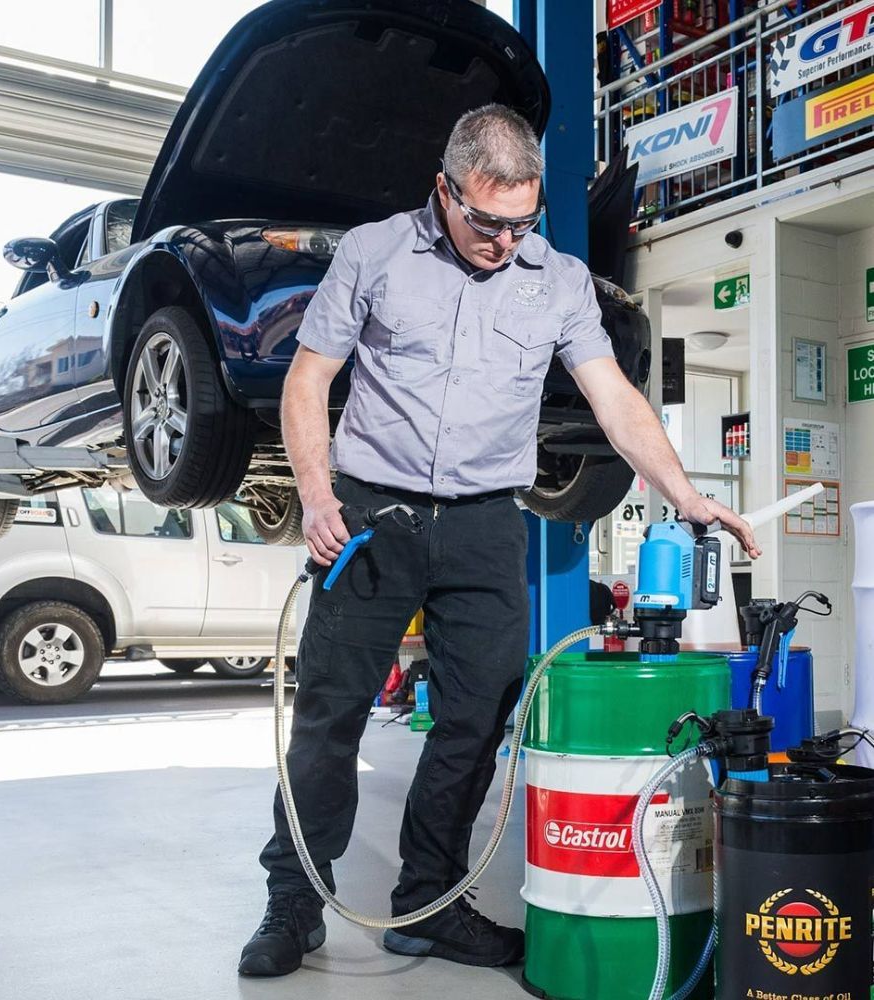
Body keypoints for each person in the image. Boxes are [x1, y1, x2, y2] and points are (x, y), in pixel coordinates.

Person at [238, 104, 760, 978]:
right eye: (487, 221)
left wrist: (685, 492)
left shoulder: (554, 279)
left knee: (478, 718)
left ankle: (428, 902)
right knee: (330, 711)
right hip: (372, 514)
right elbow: (308, 379)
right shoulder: (373, 254)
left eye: (523, 223)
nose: (504, 241)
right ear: (443, 190)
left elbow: (614, 399)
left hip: (485, 524)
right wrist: (318, 495)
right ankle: (295, 896)